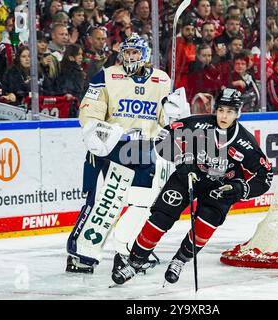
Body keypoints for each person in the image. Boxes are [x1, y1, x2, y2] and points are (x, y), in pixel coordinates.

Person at [111, 88, 273, 285]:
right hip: (189, 176)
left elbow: (265, 177)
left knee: (207, 222)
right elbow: (164, 135)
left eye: (230, 112)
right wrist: (179, 158)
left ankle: (180, 260)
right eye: (221, 110)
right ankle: (135, 261)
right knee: (161, 215)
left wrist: (240, 189)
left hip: (221, 187)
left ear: (238, 113)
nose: (224, 115)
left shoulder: (245, 143)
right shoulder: (198, 123)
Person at [65, 33, 190, 274]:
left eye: (135, 53)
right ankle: (82, 256)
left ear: (145, 55)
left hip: (144, 151)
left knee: (142, 205)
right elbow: (88, 113)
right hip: (110, 150)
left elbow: (165, 118)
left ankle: (130, 253)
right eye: (127, 52)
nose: (130, 57)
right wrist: (110, 134)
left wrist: (175, 116)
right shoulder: (107, 76)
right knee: (103, 202)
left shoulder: (162, 80)